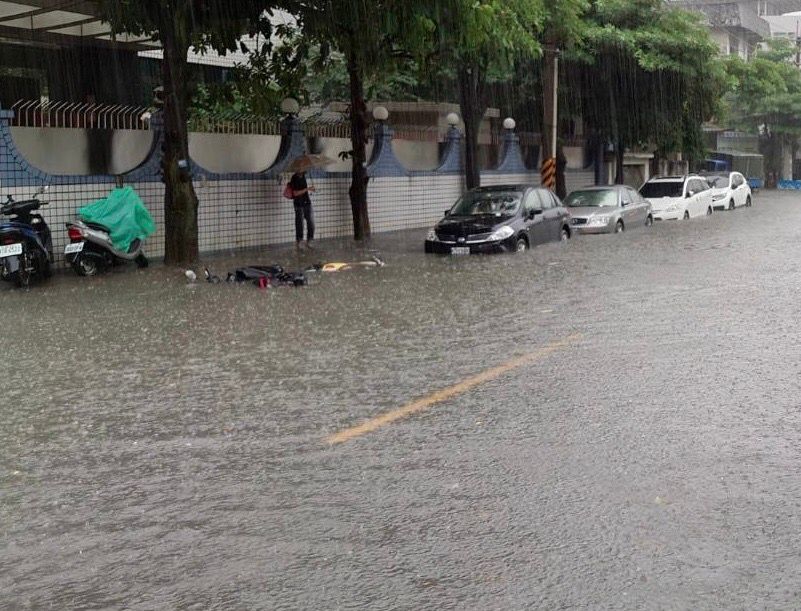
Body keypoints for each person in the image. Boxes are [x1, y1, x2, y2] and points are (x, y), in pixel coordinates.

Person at [290, 170, 315, 249]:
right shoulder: (294, 178)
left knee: (311, 222)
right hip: (298, 204)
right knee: (299, 223)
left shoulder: (304, 176)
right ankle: (299, 240)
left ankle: (310, 239)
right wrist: (307, 189)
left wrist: (310, 189)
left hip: (307, 202)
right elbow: (295, 193)